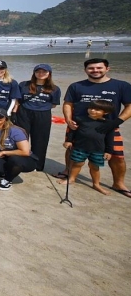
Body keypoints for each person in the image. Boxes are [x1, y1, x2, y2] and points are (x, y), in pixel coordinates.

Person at [62, 58, 131, 197]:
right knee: (72, 150)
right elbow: (68, 103)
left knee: (117, 155)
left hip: (108, 127)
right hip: (78, 125)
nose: (95, 71)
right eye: (91, 68)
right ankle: (68, 173)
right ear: (85, 70)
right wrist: (68, 120)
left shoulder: (121, 86)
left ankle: (118, 183)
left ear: (107, 69)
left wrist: (117, 121)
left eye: (99, 68)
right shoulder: (76, 86)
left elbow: (129, 105)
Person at [58, 100, 115, 195]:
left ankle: (96, 184)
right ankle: (71, 179)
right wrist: (68, 141)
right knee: (77, 164)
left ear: (106, 112)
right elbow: (72, 131)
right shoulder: (80, 119)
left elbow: (110, 139)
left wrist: (108, 151)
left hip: (98, 149)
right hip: (80, 147)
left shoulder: (108, 124)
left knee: (94, 167)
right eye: (91, 108)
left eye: (97, 110)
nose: (92, 111)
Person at [16, 64, 61, 171]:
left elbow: (53, 104)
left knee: (40, 140)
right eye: (38, 71)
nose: (40, 74)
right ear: (34, 73)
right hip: (24, 112)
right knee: (21, 138)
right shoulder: (24, 85)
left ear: (49, 73)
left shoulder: (54, 89)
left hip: (43, 114)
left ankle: (37, 164)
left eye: (44, 72)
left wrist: (39, 106)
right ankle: (20, 162)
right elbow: (18, 100)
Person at [0, 107, 37, 191]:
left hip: (23, 158)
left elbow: (25, 152)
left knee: (15, 160)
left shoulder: (15, 131)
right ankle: (6, 172)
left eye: (0, 116)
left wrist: (4, 152)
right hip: (5, 157)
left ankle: (8, 180)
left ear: (6, 118)